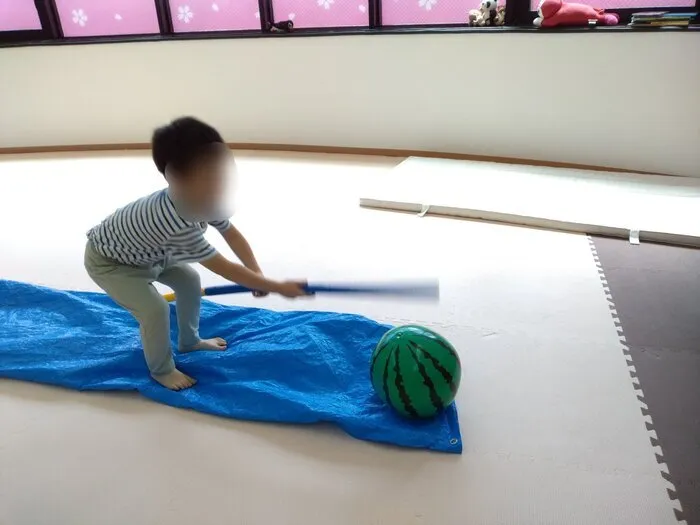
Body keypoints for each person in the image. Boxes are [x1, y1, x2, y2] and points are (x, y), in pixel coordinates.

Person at [84, 117, 309, 391]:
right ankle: (162, 370)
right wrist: (274, 286)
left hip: (152, 254)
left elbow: (232, 235)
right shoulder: (174, 221)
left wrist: (257, 274)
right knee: (154, 310)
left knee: (189, 280)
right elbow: (222, 266)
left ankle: (189, 341)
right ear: (176, 180)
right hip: (111, 263)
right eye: (208, 177)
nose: (219, 186)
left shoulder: (204, 200)